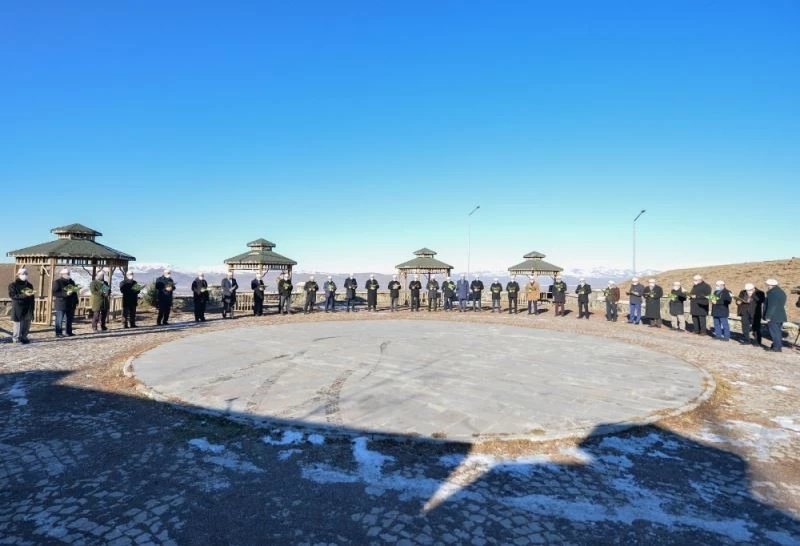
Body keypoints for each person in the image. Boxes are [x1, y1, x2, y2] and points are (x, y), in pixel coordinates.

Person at [9, 268, 34, 344]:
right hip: (18, 307)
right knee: (18, 324)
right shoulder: (13, 285)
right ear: (18, 275)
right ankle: (16, 338)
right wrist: (24, 295)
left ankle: (24, 337)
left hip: (28, 307)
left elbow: (32, 297)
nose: (25, 275)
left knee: (27, 323)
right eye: (23, 274)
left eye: (26, 273)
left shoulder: (29, 285)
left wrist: (32, 307)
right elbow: (13, 296)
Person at [52, 268, 78, 337]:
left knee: (69, 319)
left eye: (69, 273)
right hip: (61, 304)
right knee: (59, 319)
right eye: (67, 274)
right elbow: (54, 293)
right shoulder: (57, 282)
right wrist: (65, 294)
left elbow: (75, 292)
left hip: (71, 303)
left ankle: (68, 332)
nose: (68, 275)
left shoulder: (71, 282)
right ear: (62, 274)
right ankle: (58, 333)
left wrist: (76, 301)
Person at [763, 279, 787, 352]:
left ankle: (777, 347)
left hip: (774, 316)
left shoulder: (772, 293)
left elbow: (772, 306)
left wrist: (768, 316)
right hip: (780, 315)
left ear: (770, 285)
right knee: (778, 332)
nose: (767, 286)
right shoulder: (781, 292)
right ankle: (776, 346)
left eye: (767, 285)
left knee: (774, 332)